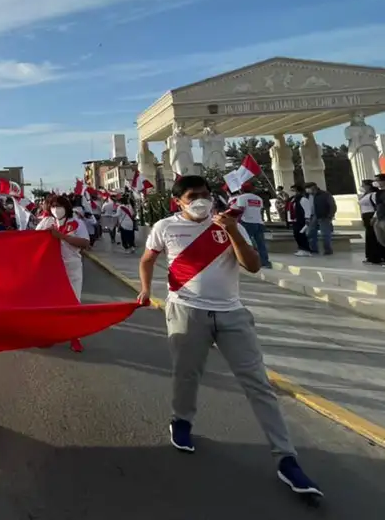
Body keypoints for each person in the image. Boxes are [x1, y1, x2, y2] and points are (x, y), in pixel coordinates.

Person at [136, 175, 322, 498]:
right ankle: (182, 420)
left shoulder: (229, 224)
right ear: (178, 201)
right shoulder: (165, 227)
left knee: (258, 384)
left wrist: (232, 231)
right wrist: (145, 290)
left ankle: (286, 458)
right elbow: (147, 259)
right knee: (187, 374)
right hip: (187, 310)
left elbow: (253, 265)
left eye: (205, 194)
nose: (201, 200)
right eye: (193, 196)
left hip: (232, 313)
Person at [36, 195, 90, 353]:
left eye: (59, 206)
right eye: (53, 206)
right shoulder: (47, 222)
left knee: (73, 303)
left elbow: (85, 243)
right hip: (51, 268)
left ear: (66, 207)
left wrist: (62, 237)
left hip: (72, 267)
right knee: (51, 304)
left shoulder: (76, 222)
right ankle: (51, 335)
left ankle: (74, 337)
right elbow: (33, 239)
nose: (56, 209)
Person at [232, 183, 271, 268]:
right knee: (261, 244)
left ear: (241, 190)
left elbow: (241, 210)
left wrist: (237, 221)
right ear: (253, 189)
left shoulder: (241, 198)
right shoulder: (258, 198)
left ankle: (246, 261)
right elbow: (260, 211)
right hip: (259, 223)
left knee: (244, 243)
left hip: (247, 222)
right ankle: (265, 262)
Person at [358, 179, 384, 265]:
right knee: (369, 236)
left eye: (363, 185)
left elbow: (378, 207)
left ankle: (377, 257)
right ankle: (370, 256)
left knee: (374, 236)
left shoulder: (374, 195)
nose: (362, 187)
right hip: (366, 216)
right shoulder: (365, 195)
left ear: (369, 186)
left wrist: (374, 217)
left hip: (371, 215)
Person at [305, 182, 336, 255]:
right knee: (311, 232)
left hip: (324, 216)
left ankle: (328, 250)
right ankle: (313, 249)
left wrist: (330, 216)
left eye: (308, 188)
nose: (307, 190)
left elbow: (332, 206)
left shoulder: (325, 194)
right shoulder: (308, 196)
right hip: (314, 216)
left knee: (325, 234)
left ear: (313, 187)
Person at [286, 185, 311, 257]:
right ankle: (301, 248)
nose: (292, 192)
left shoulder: (303, 199)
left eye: (293, 190)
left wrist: (307, 218)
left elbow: (307, 210)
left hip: (301, 219)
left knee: (301, 235)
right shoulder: (293, 199)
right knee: (296, 234)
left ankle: (306, 249)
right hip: (294, 219)